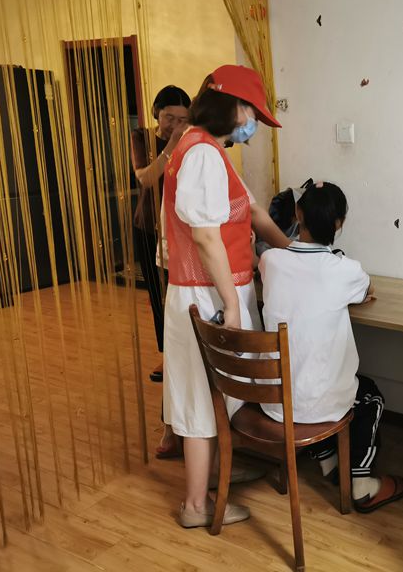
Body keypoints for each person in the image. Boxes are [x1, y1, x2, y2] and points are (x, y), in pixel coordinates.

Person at [162, 65, 291, 528]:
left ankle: (214, 475)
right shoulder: (201, 153)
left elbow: (251, 212)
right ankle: (196, 507)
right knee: (203, 399)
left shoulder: (202, 147)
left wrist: (294, 252)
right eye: (251, 113)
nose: (252, 124)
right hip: (208, 295)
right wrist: (232, 305)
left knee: (213, 394)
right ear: (232, 106)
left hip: (210, 290)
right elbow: (204, 236)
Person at [259, 182, 403, 513]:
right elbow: (368, 289)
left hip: (273, 401)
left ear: (298, 214)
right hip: (314, 403)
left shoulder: (269, 261)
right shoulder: (345, 271)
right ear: (339, 223)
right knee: (369, 397)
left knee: (310, 378)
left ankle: (328, 461)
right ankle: (362, 485)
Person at [130, 85, 190, 458]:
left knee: (176, 299)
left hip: (178, 233)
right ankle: (167, 352)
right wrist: (171, 145)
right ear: (157, 114)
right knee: (158, 297)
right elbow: (146, 177)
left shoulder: (193, 141)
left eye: (182, 119)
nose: (175, 124)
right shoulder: (142, 138)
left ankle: (172, 352)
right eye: (169, 117)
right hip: (149, 228)